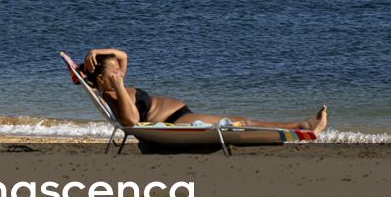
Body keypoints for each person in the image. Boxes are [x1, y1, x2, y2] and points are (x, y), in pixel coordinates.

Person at [81, 48, 328, 133]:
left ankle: (300, 126)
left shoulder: (115, 82)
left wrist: (97, 51)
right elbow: (131, 121)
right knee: (240, 121)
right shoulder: (111, 95)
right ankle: (301, 126)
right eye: (114, 71)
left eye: (119, 70)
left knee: (239, 120)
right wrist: (117, 86)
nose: (120, 72)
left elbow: (123, 55)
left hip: (180, 113)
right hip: (175, 122)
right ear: (101, 78)